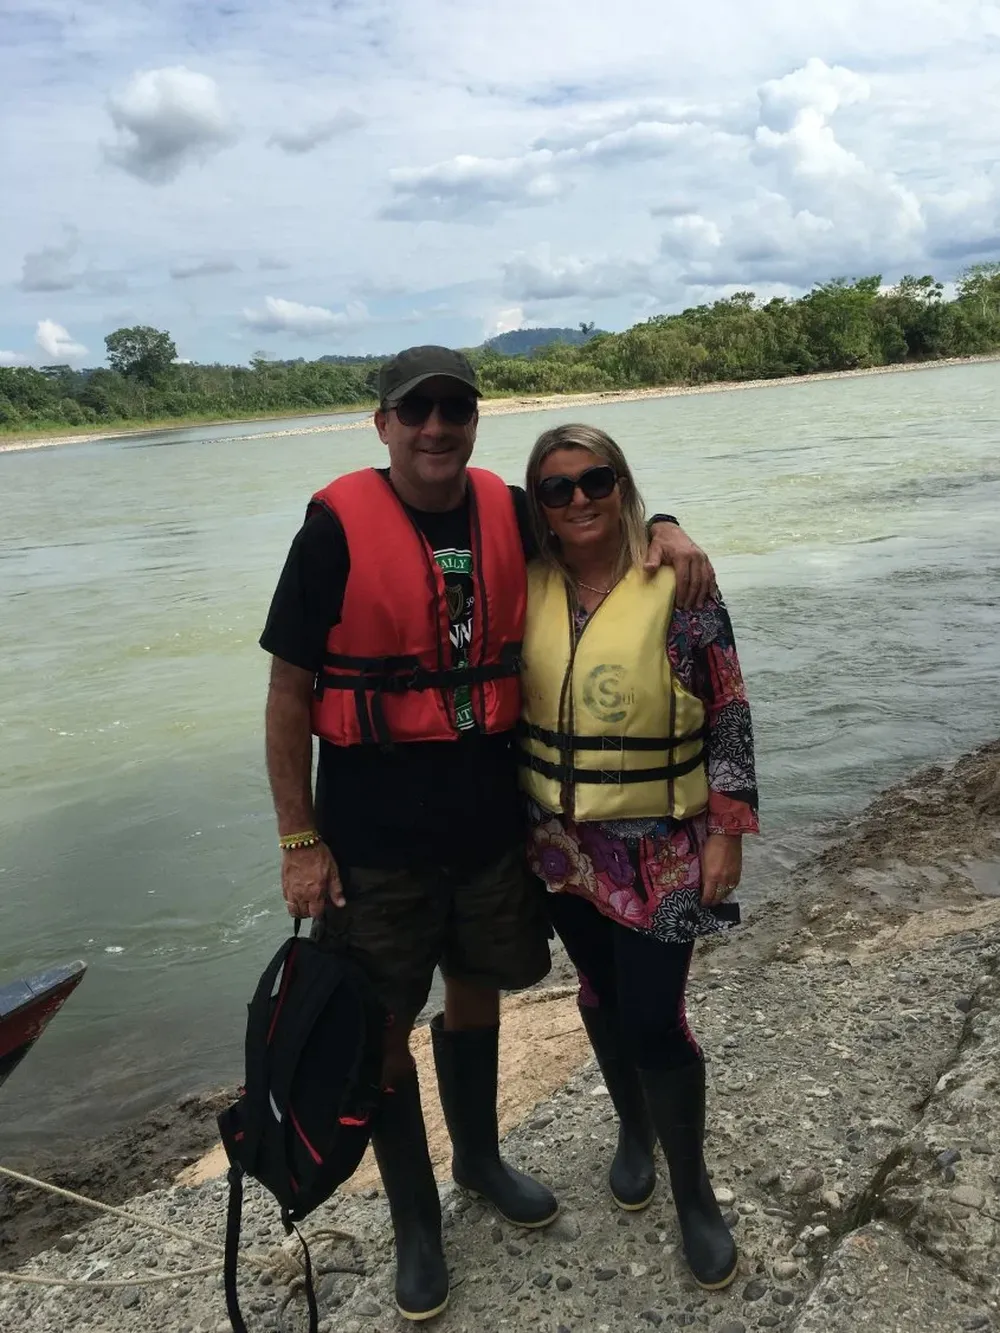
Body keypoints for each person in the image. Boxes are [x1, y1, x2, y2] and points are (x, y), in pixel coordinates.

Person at [259, 346, 716, 1321]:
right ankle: (417, 1224)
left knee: (474, 1002)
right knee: (381, 1037)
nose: (436, 427)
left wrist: (669, 523)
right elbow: (289, 690)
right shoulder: (332, 528)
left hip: (487, 834)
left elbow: (595, 517)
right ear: (382, 423)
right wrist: (300, 842)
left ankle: (477, 1159)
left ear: (472, 420)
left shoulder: (508, 511)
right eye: (415, 411)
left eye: (453, 410)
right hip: (371, 848)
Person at [519, 422, 758, 1292]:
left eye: (597, 479)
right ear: (538, 505)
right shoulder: (526, 579)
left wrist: (727, 827)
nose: (579, 498)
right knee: (598, 993)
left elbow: (726, 705)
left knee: (656, 1016)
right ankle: (632, 1126)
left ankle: (694, 1194)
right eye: (558, 487)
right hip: (559, 847)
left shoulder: (680, 580)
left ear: (622, 484)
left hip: (659, 844)